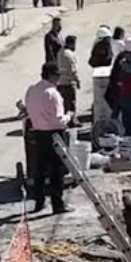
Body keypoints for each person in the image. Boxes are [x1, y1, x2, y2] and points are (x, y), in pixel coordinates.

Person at [24, 62, 72, 214]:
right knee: (56, 171)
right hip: (55, 134)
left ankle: (39, 202)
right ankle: (57, 204)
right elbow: (58, 120)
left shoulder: (32, 90)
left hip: (38, 134)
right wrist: (68, 117)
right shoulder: (53, 93)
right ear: (52, 76)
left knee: (39, 170)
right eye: (58, 76)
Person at [57, 35, 80, 118]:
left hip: (60, 82)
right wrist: (77, 81)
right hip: (69, 83)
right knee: (71, 103)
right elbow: (73, 71)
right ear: (71, 44)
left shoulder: (60, 52)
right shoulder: (70, 55)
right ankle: (72, 121)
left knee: (62, 104)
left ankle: (63, 120)